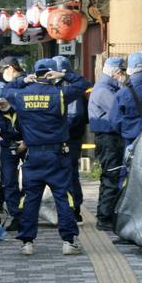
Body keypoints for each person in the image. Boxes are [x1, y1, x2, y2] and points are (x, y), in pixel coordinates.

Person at [3, 58, 89, 256]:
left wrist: (23, 80)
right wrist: (65, 75)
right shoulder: (59, 94)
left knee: (30, 198)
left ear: (35, 73)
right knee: (63, 198)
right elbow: (83, 84)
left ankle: (27, 242)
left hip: (32, 155)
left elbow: (4, 91)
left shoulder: (21, 94)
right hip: (57, 155)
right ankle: (68, 241)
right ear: (51, 73)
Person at [51, 56, 92, 225]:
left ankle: (74, 210)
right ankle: (69, 208)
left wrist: (57, 130)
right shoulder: (61, 86)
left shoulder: (69, 89)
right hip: (65, 138)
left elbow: (74, 115)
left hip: (69, 139)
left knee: (69, 175)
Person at [88, 57, 126, 231]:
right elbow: (119, 112)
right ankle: (105, 218)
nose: (123, 75)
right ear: (115, 72)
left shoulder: (106, 88)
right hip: (109, 139)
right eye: (122, 72)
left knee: (110, 177)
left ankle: (105, 215)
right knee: (111, 177)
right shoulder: (104, 91)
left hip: (107, 139)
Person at [0, 81, 24, 231]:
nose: (0, 106)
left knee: (30, 181)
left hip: (28, 143)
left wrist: (26, 143)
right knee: (8, 181)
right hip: (8, 145)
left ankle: (28, 212)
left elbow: (33, 126)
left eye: (2, 103)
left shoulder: (21, 106)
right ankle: (16, 215)